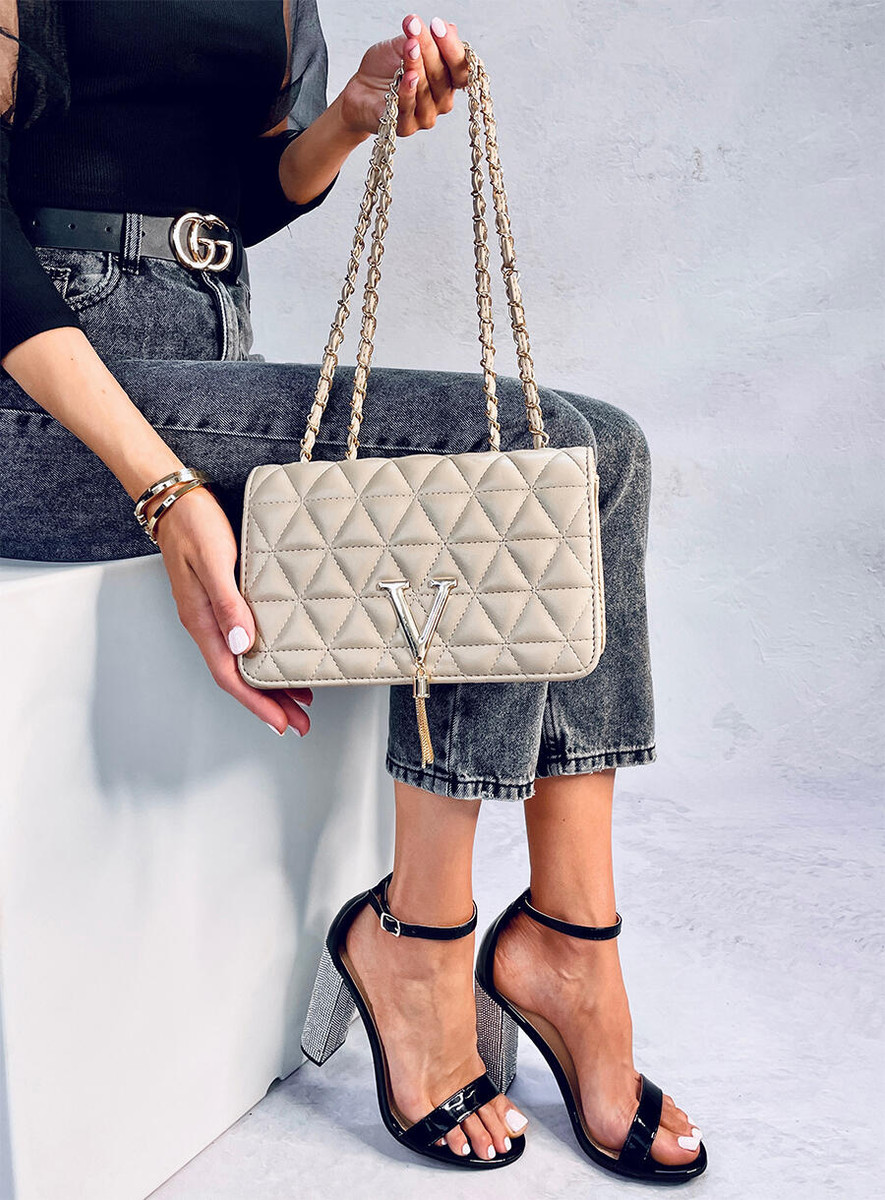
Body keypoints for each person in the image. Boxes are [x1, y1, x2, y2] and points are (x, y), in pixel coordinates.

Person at [0, 0, 705, 1182]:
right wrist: (161, 488)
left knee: (607, 454)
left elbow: (234, 185)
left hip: (201, 355)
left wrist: (348, 119)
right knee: (507, 459)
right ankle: (417, 939)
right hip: (38, 395)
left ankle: (570, 938)